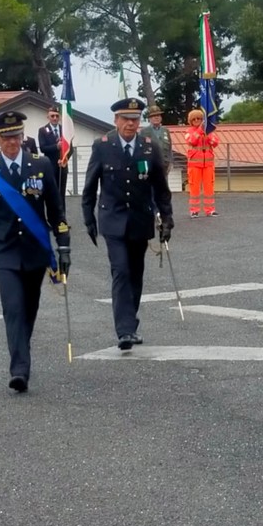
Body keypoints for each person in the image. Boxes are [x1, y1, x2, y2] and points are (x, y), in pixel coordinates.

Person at [0, 111, 70, 393]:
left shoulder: (40, 166)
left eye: (16, 136)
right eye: (6, 137)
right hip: (3, 251)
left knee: (29, 309)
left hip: (35, 251)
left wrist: (63, 246)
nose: (12, 142)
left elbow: (56, 210)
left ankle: (21, 352)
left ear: (23, 136)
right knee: (13, 308)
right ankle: (19, 370)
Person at [82, 97, 173, 350]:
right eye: (126, 120)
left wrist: (167, 218)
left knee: (135, 273)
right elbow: (90, 186)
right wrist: (88, 217)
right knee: (120, 270)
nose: (131, 124)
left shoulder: (149, 146)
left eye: (135, 120)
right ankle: (124, 330)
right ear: (116, 120)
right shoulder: (102, 146)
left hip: (139, 220)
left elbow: (160, 188)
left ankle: (130, 322)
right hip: (112, 219)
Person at [184, 108, 219, 217]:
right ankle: (194, 210)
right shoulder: (189, 131)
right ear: (191, 121)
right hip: (194, 164)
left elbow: (215, 142)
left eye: (199, 118)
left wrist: (207, 133)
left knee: (209, 187)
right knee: (194, 187)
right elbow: (191, 141)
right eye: (194, 119)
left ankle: (210, 210)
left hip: (208, 164)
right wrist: (200, 131)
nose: (197, 120)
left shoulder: (208, 130)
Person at [37, 103, 69, 210]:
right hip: (50, 166)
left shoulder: (64, 130)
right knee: (51, 193)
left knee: (61, 194)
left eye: (57, 116)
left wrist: (65, 158)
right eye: (52, 116)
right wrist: (56, 146)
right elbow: (43, 148)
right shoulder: (43, 130)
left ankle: (62, 220)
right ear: (48, 117)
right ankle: (52, 220)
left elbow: (70, 148)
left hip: (62, 165)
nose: (55, 118)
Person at [142, 104, 173, 177]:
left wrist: (170, 162)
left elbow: (170, 149)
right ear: (149, 118)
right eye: (153, 116)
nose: (156, 117)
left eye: (158, 115)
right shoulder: (144, 132)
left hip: (164, 166)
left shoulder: (166, 131)